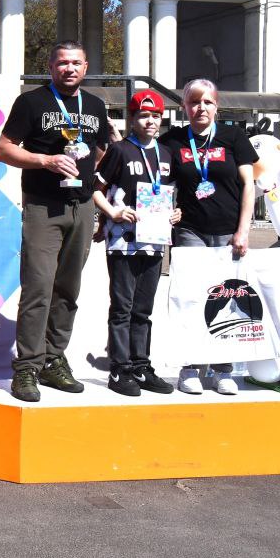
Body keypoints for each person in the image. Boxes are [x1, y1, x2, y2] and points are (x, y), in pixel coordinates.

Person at [0, 40, 111, 402]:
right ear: (50, 66)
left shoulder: (94, 106)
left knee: (68, 290)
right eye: (62, 63)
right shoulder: (31, 102)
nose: (69, 69)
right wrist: (45, 161)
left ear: (86, 67)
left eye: (76, 63)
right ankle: (27, 366)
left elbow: (103, 149)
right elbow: (3, 149)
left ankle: (54, 360)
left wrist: (95, 186)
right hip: (44, 208)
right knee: (38, 288)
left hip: (82, 207)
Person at [160, 78, 258, 395]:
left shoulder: (233, 137)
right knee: (190, 297)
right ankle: (190, 366)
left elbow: (249, 186)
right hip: (190, 230)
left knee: (226, 300)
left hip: (229, 232)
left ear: (216, 105)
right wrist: (166, 212)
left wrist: (243, 230)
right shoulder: (173, 140)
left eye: (207, 102)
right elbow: (158, 184)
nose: (200, 107)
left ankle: (221, 369)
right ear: (184, 107)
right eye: (193, 102)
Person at [92, 90, 181, 397]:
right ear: (132, 119)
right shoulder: (120, 150)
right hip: (123, 241)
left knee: (143, 309)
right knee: (122, 308)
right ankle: (120, 370)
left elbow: (170, 194)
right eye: (143, 116)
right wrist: (112, 212)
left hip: (155, 241)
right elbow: (96, 189)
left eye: (156, 116)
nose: (150, 122)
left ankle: (141, 365)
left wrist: (175, 213)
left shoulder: (167, 154)